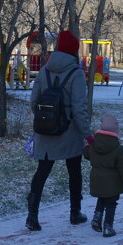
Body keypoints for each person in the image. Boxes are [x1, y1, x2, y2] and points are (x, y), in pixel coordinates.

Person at [26, 29, 90, 231]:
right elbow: (79, 109)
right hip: (69, 131)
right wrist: (88, 134)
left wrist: (45, 118)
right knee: (74, 172)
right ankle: (75, 213)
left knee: (42, 171)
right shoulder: (76, 73)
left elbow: (34, 101)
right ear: (74, 51)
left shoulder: (44, 70)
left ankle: (32, 216)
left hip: (45, 129)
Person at [84, 112, 123, 237]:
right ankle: (108, 227)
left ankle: (97, 218)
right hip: (113, 182)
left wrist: (86, 145)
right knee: (111, 204)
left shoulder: (94, 145)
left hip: (96, 179)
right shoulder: (119, 149)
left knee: (101, 199)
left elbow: (87, 154)